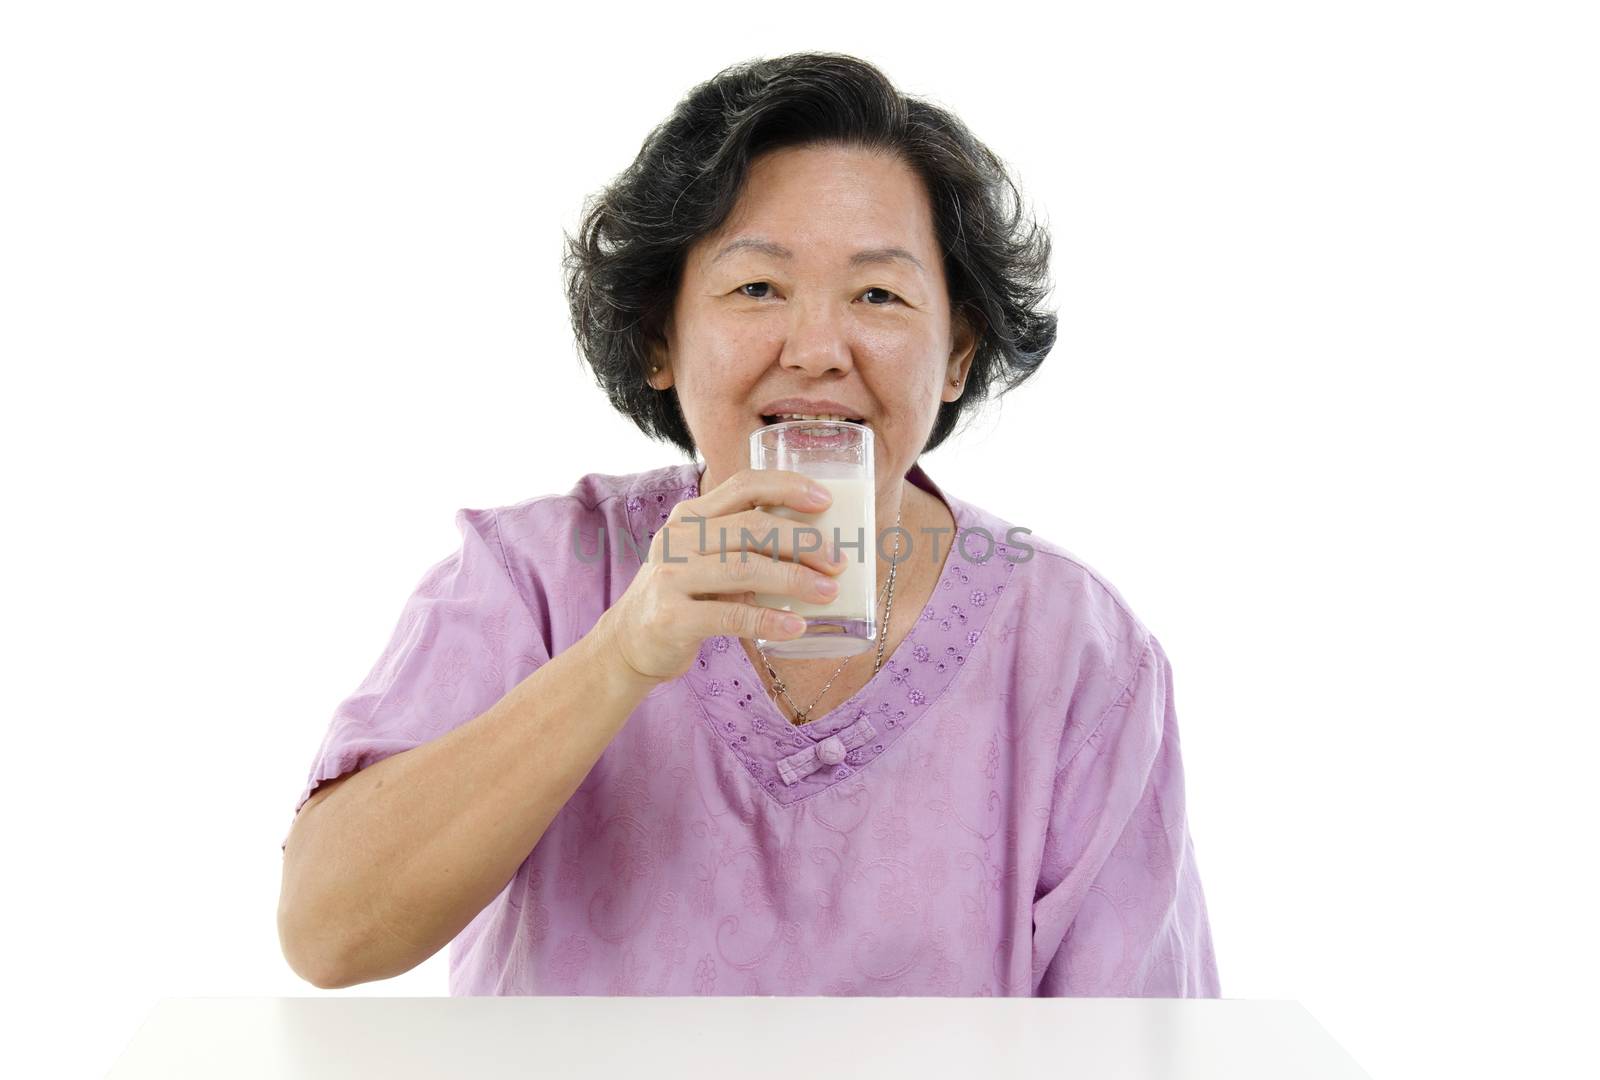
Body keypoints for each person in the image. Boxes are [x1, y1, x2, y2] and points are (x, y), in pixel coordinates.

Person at [278, 51, 1221, 997]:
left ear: (956, 356)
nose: (816, 351)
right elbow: (328, 935)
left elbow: (1139, 1046)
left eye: (879, 296)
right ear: (660, 338)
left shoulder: (1078, 653)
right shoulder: (532, 575)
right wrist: (621, 657)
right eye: (757, 289)